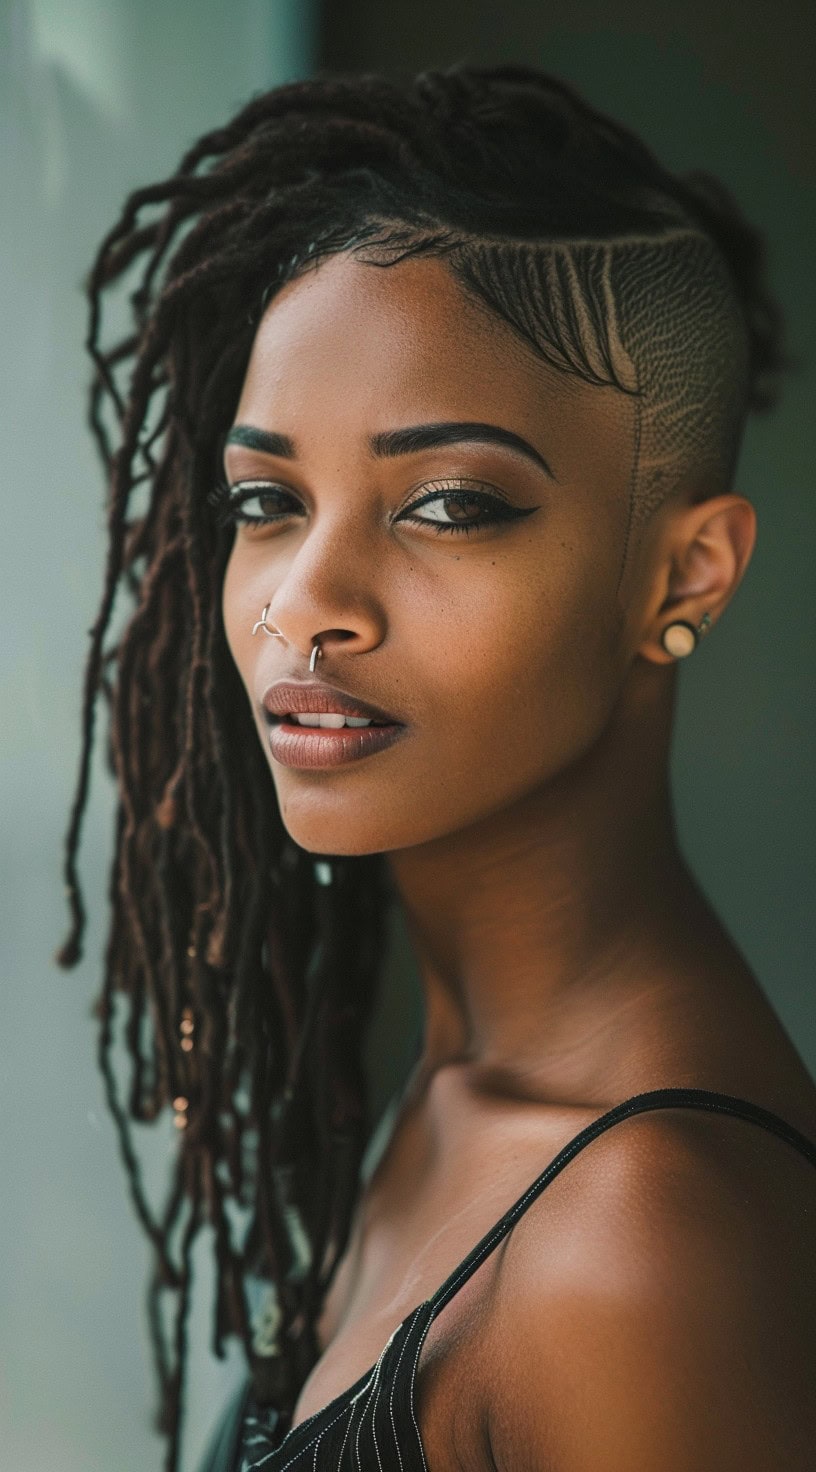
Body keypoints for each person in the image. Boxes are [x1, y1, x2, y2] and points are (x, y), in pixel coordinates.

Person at [56, 61, 816, 1472]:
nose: (307, 600)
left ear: (687, 572)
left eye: (452, 504)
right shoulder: (454, 1087)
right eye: (268, 502)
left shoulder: (646, 1238)